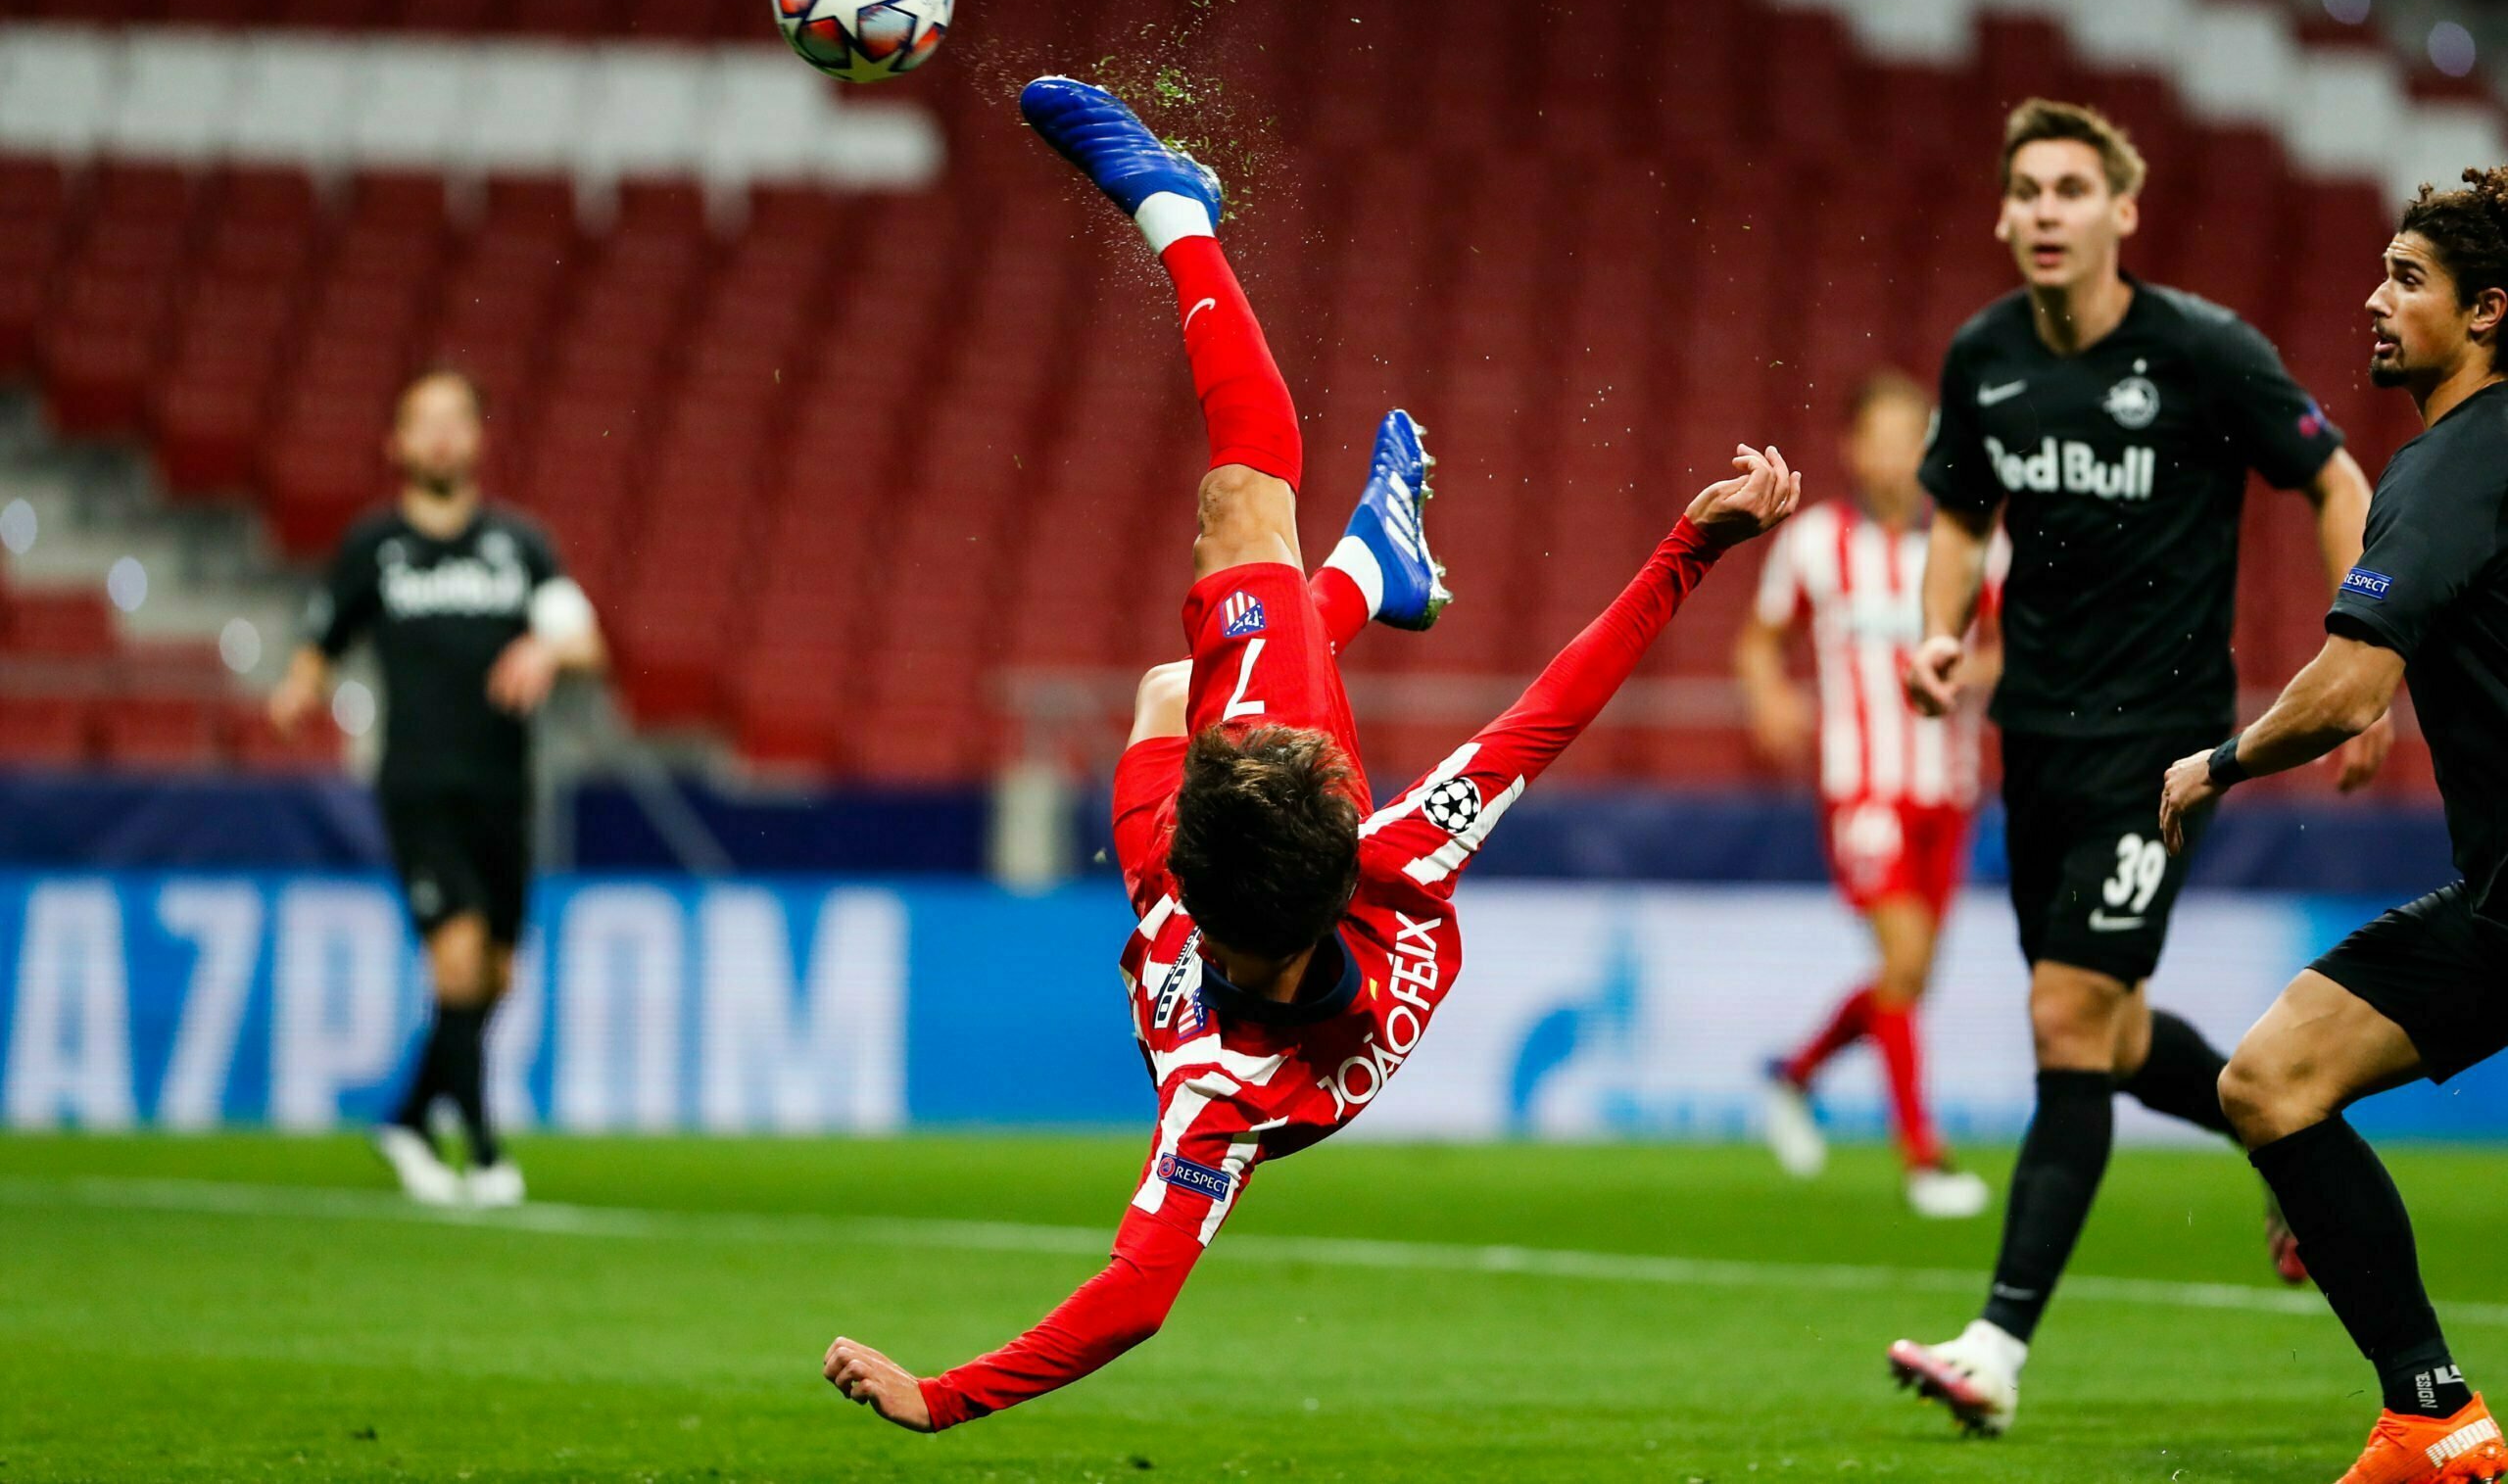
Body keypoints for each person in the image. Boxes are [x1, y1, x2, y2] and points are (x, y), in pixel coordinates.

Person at [819, 75, 1801, 1431]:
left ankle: (1360, 564)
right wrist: (1691, 549)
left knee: (1173, 682)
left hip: (1194, 870)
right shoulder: (1384, 862)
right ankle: (1182, 217)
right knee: (1242, 498)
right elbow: (1548, 713)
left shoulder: (1204, 1049)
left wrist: (943, 1395)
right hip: (1280, 814)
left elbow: (1135, 1289)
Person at [1884, 98, 2387, 1436]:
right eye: (2028, 191)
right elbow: (1959, 512)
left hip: (2164, 750)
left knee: (2063, 1019)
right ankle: (2282, 1131)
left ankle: (1995, 1342)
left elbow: (2336, 478)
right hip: (2035, 740)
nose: (2047, 210)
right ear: (2003, 215)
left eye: (2072, 189)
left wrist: (2368, 646)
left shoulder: (2204, 352)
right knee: (2101, 1030)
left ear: (2122, 213)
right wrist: (1938, 632)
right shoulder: (1983, 357)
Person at [2159, 168, 2508, 1484]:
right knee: (2273, 1079)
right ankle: (2433, 1415)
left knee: (2275, 1082)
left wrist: (2217, 762)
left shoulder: (2455, 461)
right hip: (2498, 893)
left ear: (2487, 311)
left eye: (2407, 278)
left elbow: (2355, 683)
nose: (2373, 298)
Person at [268, 367, 605, 1208]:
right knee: (456, 962)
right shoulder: (374, 546)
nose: (443, 436)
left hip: (504, 792)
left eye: (458, 420)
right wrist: (297, 686)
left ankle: (412, 1117)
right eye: (426, 422)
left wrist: (549, 651)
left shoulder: (520, 545)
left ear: (479, 437)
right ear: (397, 443)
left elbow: (585, 638)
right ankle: (486, 1153)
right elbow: (324, 639)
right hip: (418, 787)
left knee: (494, 977)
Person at [1739, 371, 2002, 1218]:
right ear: (1853, 449)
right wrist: (1771, 696)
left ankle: (1795, 1075)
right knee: (1901, 962)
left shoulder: (1971, 543)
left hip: (1946, 788)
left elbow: (2004, 650)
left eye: (1911, 436)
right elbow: (1757, 641)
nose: (1896, 454)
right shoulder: (1815, 541)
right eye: (1879, 436)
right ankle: (1924, 1158)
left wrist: (1967, 673)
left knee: (1909, 976)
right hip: (1862, 786)